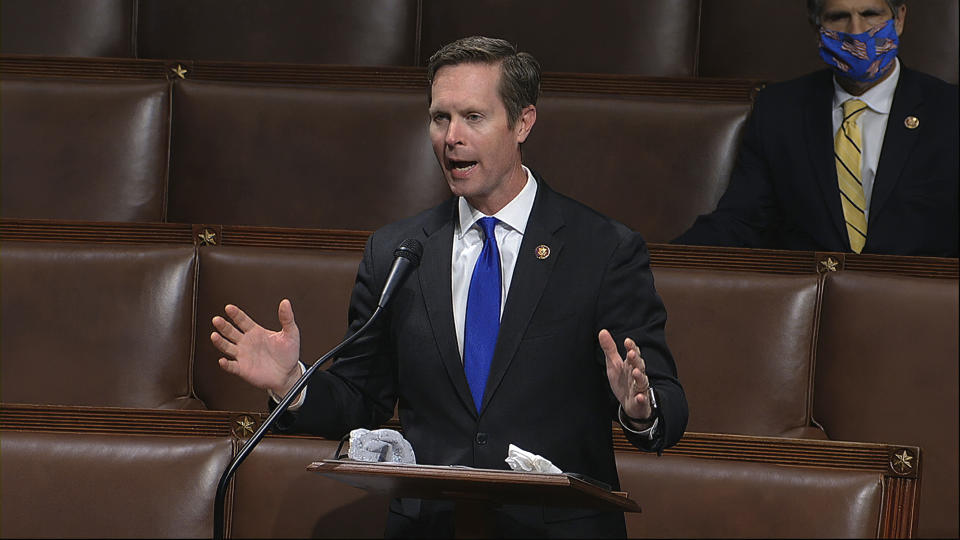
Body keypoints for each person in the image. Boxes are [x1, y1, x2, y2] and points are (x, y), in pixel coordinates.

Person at [210, 36, 687, 537]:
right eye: (440, 118)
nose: (451, 137)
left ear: (523, 122)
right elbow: (361, 400)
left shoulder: (603, 250)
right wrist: (293, 385)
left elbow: (668, 407)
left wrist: (641, 409)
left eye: (473, 118)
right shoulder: (397, 252)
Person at [675, 0, 958, 257]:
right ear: (816, 27)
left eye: (870, 14)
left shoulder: (949, 110)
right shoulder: (779, 109)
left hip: (920, 300)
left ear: (899, 19)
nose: (856, 31)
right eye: (838, 17)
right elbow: (742, 220)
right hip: (812, 298)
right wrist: (657, 264)